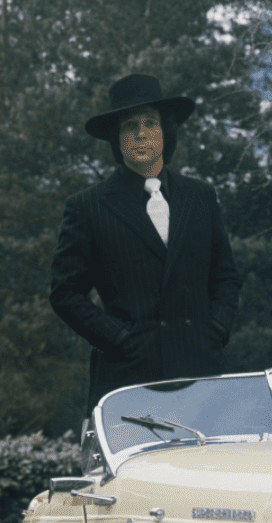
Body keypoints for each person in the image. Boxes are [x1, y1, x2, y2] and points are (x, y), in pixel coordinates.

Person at [49, 73, 242, 415]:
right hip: (128, 383)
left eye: (150, 122)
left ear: (166, 131)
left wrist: (215, 330)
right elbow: (66, 293)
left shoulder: (200, 197)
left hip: (201, 379)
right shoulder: (88, 207)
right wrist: (120, 339)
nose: (140, 133)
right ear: (116, 139)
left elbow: (225, 277)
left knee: (204, 468)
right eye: (128, 126)